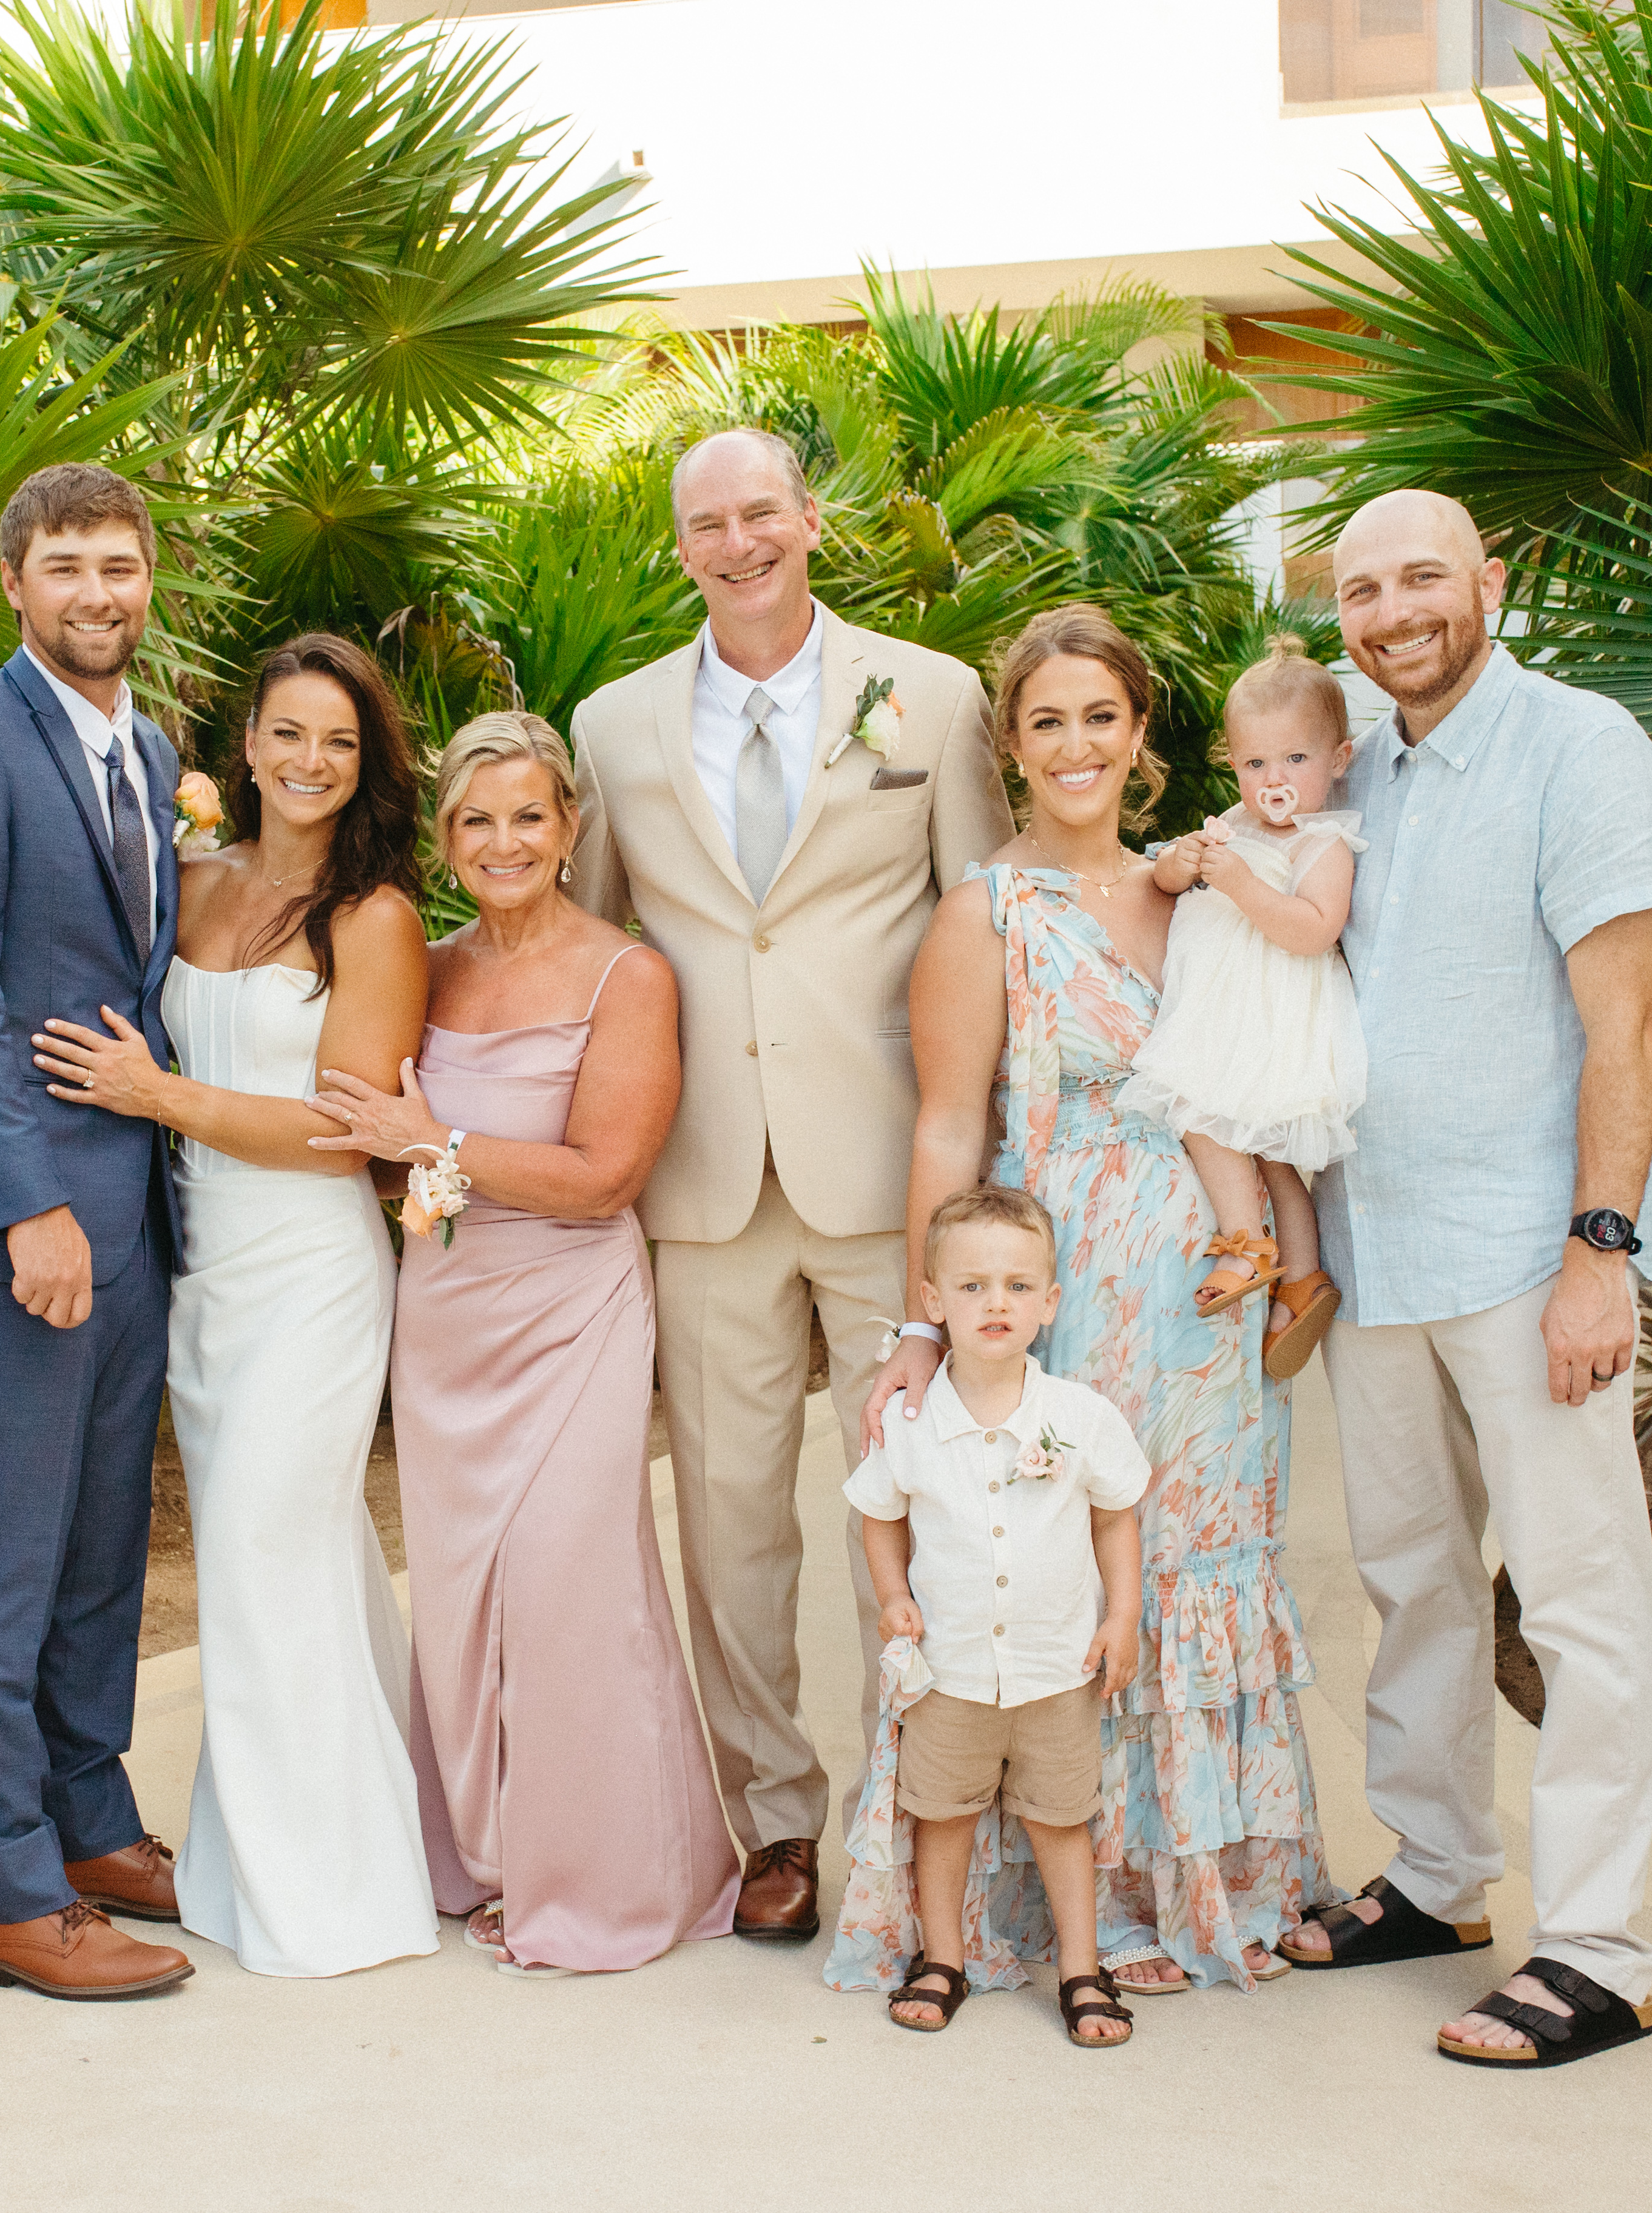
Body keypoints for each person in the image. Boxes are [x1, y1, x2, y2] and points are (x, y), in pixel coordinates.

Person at [567, 425, 1013, 1938]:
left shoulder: (932, 697)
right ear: (680, 546)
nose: (737, 541)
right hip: (696, 1179)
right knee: (728, 1519)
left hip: (895, 1174)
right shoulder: (612, 725)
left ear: (807, 520)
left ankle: (934, 1802)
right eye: (707, 523)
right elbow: (596, 947)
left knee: (927, 1497)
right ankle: (775, 1823)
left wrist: (989, 1187)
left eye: (761, 511)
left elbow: (987, 916)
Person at [1274, 489, 1652, 2073]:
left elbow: (1624, 1029)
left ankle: (1598, 1952)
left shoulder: (1583, 753)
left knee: (1578, 1606)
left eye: (1424, 577)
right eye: (1364, 589)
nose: (1394, 611)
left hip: (1531, 1263)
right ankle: (1441, 1880)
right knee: (1415, 1586)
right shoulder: (1355, 771)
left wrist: (1601, 1257)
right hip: (1378, 1261)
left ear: (1489, 583)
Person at [885, 603, 1338, 1994]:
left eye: (1099, 716)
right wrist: (924, 1326)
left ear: (1140, 735)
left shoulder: (1204, 886)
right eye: (1044, 721)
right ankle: (1103, 1908)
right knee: (1081, 1563)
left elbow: (1263, 1082)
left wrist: (1289, 1250)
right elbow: (947, 1131)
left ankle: (1224, 1881)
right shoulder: (985, 912)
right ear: (1010, 748)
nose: (1073, 744)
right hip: (1065, 1291)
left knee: (1202, 1560)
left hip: (1206, 1283)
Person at [33, 632, 439, 1979]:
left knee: (270, 1551)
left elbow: (343, 1132)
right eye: (289, 733)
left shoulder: (373, 919)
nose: (312, 761)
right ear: (247, 745)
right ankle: (342, 1840)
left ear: (366, 759)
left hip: (312, 1266)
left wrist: (161, 1097)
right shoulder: (192, 885)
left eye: (340, 740)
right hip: (198, 1265)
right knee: (291, 1558)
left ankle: (329, 1895)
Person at [309, 711, 738, 1975]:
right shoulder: (426, 967)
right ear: (446, 839)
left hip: (573, 1310)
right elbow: (399, 1165)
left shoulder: (628, 973)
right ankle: (490, 1855)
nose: (505, 840)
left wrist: (428, 1148)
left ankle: (607, 1876)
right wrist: (420, 1176)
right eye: (477, 819)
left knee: (572, 1587)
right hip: (447, 1315)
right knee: (457, 1596)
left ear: (569, 829)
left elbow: (605, 1177)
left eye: (529, 817)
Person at [0, 463, 194, 2004]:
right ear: (13, 583)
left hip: (136, 1215)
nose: (96, 592)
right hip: (30, 1230)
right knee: (8, 1559)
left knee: (98, 1555)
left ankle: (89, 1822)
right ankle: (6, 1892)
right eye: (65, 565)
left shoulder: (151, 743)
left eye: (118, 565)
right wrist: (28, 1208)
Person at [845, 1185, 1150, 2049]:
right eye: (973, 1286)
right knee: (942, 1815)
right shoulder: (910, 1420)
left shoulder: (1080, 1418)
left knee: (1060, 1816)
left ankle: (1081, 1968)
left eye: (1019, 1286)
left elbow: (1115, 1515)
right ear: (933, 1302)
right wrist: (894, 1595)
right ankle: (943, 1959)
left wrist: (1121, 1616)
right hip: (952, 1667)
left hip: (1057, 1666)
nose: (997, 1304)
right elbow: (880, 1512)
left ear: (1050, 1304)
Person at [1121, 634, 1368, 1378]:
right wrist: (1178, 864)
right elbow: (1166, 885)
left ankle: (1245, 1245)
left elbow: (1313, 928)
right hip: (1229, 1011)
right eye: (1257, 763)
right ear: (1235, 764)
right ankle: (1302, 1279)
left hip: (1271, 1017)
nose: (1275, 779)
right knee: (1273, 1159)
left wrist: (1237, 883)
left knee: (1197, 1109)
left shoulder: (1323, 845)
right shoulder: (1237, 822)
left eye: (1296, 759)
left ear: (1339, 760)